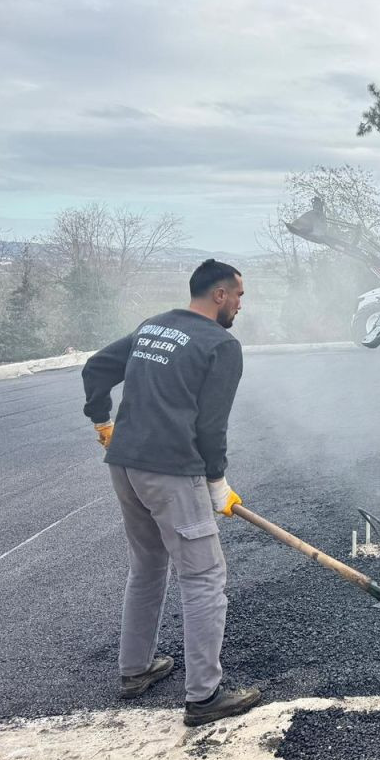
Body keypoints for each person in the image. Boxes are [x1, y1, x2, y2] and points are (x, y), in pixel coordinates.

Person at [81, 259, 261, 727]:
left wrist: (103, 421)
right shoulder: (221, 345)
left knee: (147, 566)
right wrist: (217, 481)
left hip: (124, 464)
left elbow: (96, 368)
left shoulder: (153, 327)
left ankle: (135, 670)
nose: (241, 304)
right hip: (169, 472)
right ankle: (204, 697)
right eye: (238, 295)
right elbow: (210, 425)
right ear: (219, 295)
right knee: (203, 576)